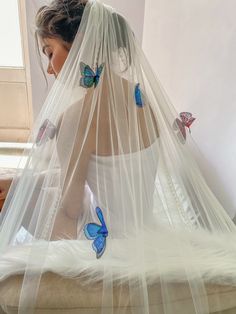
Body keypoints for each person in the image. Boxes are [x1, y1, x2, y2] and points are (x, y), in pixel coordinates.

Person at [0, 0, 236, 313]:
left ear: (79, 48)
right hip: (143, 226)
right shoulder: (143, 101)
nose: (49, 68)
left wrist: (21, 199)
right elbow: (114, 172)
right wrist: (27, 182)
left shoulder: (76, 118)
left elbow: (69, 216)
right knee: (23, 183)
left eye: (49, 52)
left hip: (101, 240)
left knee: (16, 196)